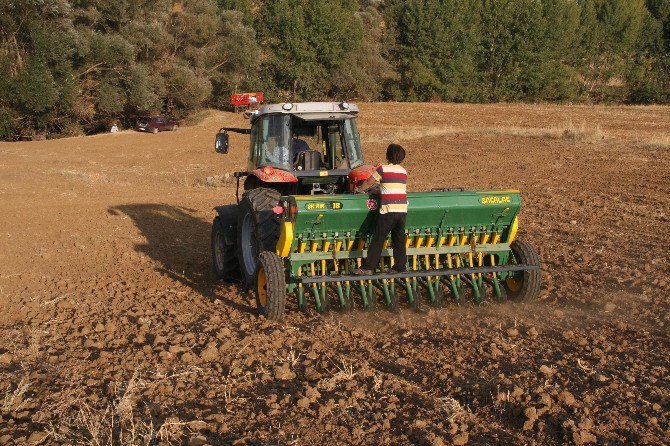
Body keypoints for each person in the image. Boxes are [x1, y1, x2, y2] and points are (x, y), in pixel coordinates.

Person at [353, 144, 408, 275]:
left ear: (387, 156)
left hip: (388, 210)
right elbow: (392, 186)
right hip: (402, 210)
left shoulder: (382, 169)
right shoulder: (403, 171)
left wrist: (360, 190)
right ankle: (400, 267)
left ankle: (368, 268)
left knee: (378, 238)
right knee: (398, 239)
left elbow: (368, 182)